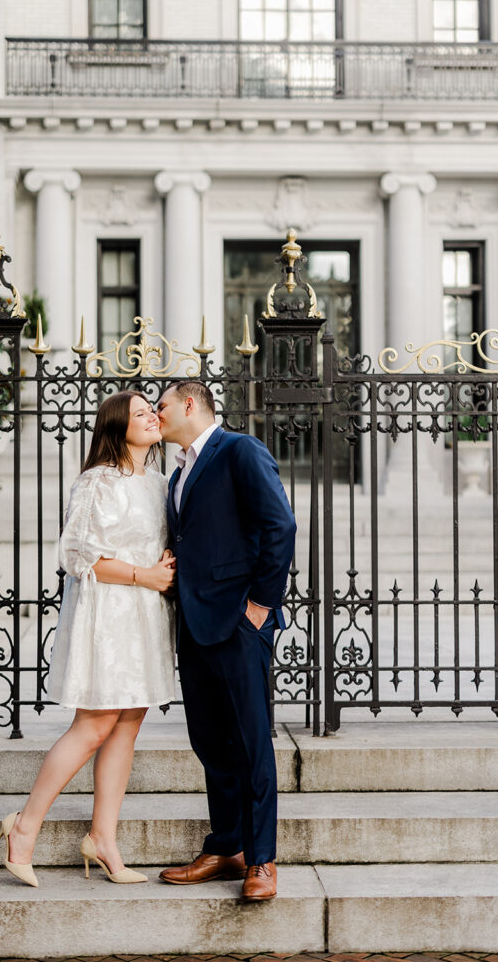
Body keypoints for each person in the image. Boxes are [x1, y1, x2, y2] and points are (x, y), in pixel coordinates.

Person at [0, 391, 176, 887]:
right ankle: (24, 828)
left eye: (152, 410)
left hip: (147, 616)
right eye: (139, 413)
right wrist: (144, 576)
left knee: (128, 724)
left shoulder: (160, 483)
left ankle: (103, 839)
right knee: (94, 725)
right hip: (109, 614)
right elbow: (77, 556)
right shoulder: (98, 481)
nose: (151, 417)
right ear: (118, 427)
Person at [156, 380, 296, 902]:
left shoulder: (239, 449)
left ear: (190, 404)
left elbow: (280, 525)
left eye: (162, 405)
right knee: (210, 740)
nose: (157, 414)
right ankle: (226, 845)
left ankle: (261, 860)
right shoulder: (177, 471)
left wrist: (260, 605)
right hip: (194, 625)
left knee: (252, 742)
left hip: (240, 623)